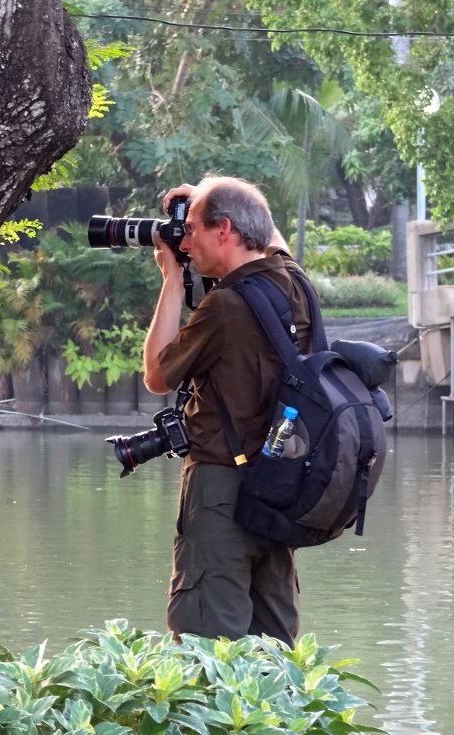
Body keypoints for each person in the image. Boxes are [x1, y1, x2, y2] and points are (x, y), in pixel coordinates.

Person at [143, 176, 314, 646]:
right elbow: (268, 231)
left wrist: (172, 279)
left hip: (221, 488)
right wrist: (203, 190)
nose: (185, 240)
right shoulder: (295, 282)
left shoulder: (227, 305)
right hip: (280, 484)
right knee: (274, 651)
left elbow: (157, 375)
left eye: (193, 228)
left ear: (225, 230)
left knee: (206, 649)